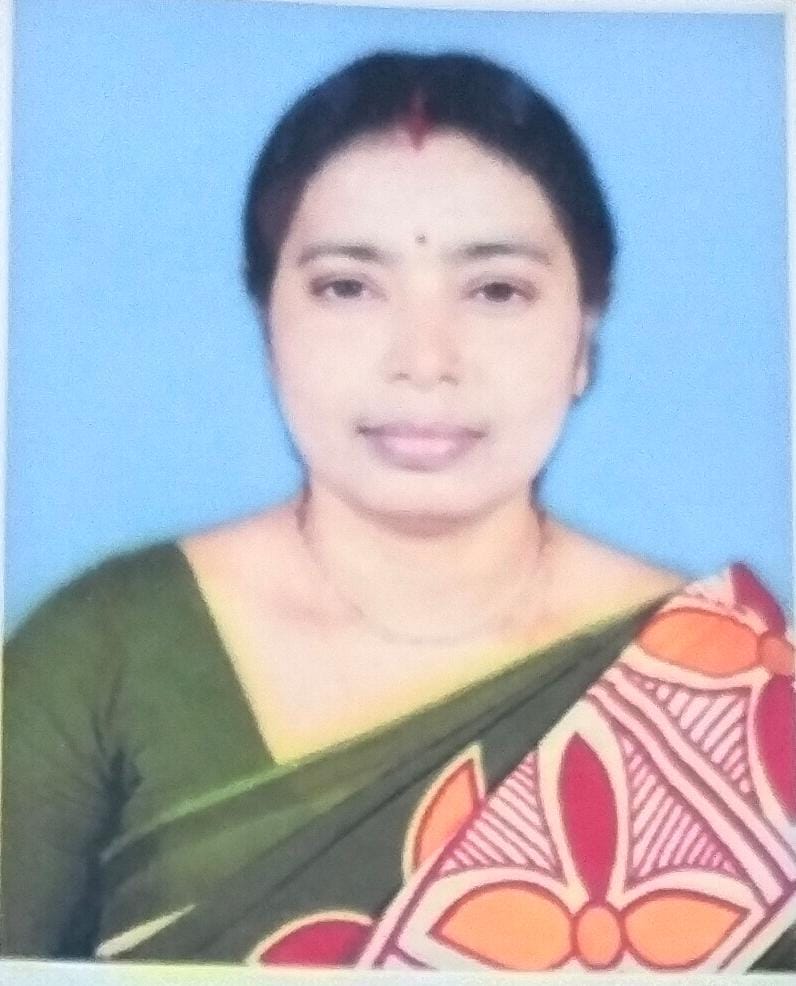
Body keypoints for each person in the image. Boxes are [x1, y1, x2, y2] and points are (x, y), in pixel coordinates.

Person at [2, 51, 793, 969]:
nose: (424, 361)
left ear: (584, 337)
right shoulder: (100, 657)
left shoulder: (720, 687)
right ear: (268, 326)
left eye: (496, 290)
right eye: (348, 286)